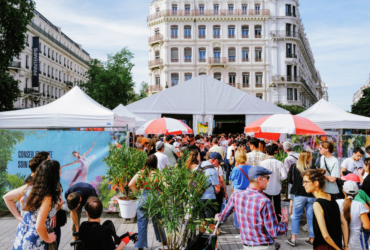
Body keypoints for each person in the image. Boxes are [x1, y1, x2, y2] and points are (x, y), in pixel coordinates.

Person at [216, 166, 289, 249]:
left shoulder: (236, 196)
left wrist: (218, 216)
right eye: (267, 177)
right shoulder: (265, 201)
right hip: (263, 246)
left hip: (247, 246)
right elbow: (274, 232)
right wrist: (285, 223)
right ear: (259, 179)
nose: (268, 180)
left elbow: (223, 216)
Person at [3, 160, 61, 250]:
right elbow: (39, 226)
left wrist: (18, 217)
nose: (61, 171)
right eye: (59, 169)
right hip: (36, 239)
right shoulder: (48, 197)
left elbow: (7, 197)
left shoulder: (30, 187)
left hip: (22, 234)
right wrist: (48, 239)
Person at [302, 169, 349, 250]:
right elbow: (344, 222)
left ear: (316, 183)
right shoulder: (330, 197)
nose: (303, 185)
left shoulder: (317, 204)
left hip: (324, 246)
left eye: (306, 182)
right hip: (336, 244)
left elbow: (325, 236)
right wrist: (346, 246)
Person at [129, 155, 167, 250]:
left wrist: (138, 193)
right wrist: (161, 193)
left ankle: (140, 246)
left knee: (141, 223)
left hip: (143, 198)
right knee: (158, 221)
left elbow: (130, 184)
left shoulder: (141, 173)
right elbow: (166, 186)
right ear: (155, 163)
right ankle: (164, 241)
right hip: (155, 198)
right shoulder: (157, 174)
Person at [286, 151, 316, 246]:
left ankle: (293, 239)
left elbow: (290, 180)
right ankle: (312, 239)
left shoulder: (294, 166)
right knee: (311, 217)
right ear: (307, 157)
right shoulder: (312, 167)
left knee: (296, 216)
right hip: (311, 195)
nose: (311, 158)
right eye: (310, 156)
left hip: (299, 194)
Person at [336, 181, 370, 250]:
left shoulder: (337, 202)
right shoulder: (359, 205)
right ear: (357, 193)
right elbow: (367, 226)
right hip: (355, 240)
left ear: (343, 191)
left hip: (339, 238)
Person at [195, 152, 221, 235]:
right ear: (213, 160)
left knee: (202, 221)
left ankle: (201, 240)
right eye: (219, 161)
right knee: (211, 222)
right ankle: (213, 245)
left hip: (199, 197)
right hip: (209, 198)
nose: (220, 163)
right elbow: (217, 189)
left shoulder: (200, 165)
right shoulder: (212, 170)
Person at [260, 145, 287, 223]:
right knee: (277, 207)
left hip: (266, 188)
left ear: (266, 152)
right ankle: (278, 222)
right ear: (274, 152)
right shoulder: (279, 163)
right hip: (276, 188)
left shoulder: (262, 163)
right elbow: (284, 176)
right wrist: (278, 178)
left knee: (266, 206)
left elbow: (260, 175)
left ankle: (266, 221)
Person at [229, 148, 252, 230]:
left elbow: (231, 178)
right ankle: (247, 225)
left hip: (238, 191)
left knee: (237, 209)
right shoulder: (250, 167)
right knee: (247, 209)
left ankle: (238, 226)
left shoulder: (236, 169)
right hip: (248, 190)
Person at [283, 141, 300, 216]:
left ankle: (291, 216)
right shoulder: (299, 155)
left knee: (292, 199)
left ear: (285, 150)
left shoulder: (287, 159)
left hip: (293, 180)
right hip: (301, 179)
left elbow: (287, 172)